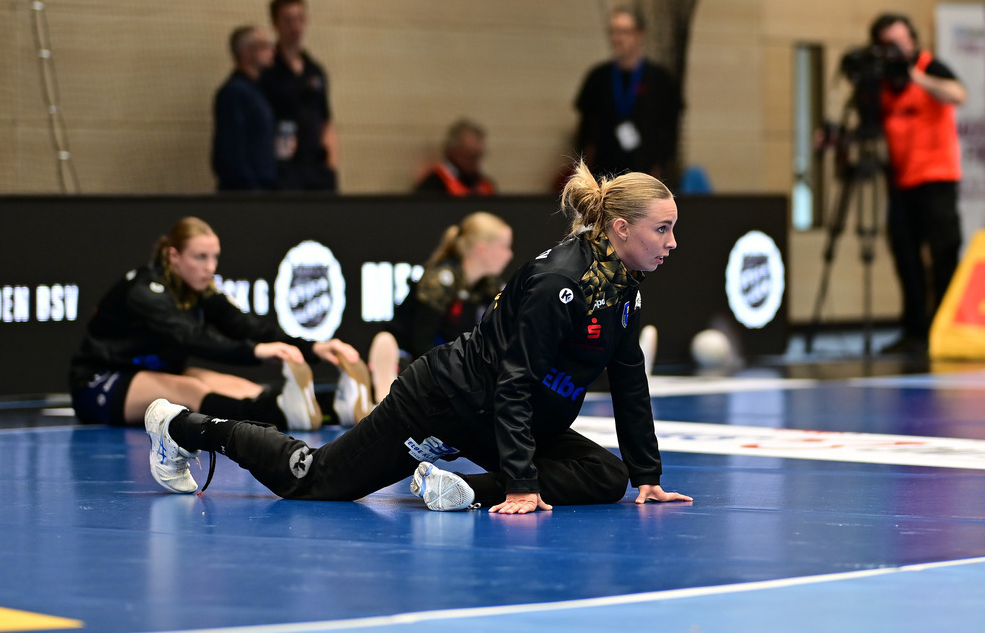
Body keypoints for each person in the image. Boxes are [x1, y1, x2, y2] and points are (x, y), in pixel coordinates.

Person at [143, 162, 693, 514]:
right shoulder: (562, 282)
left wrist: (648, 476)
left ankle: (464, 491)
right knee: (314, 480)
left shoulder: (622, 282)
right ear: (621, 228)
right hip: (445, 401)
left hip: (501, 420)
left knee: (607, 475)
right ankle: (183, 427)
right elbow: (515, 381)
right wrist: (523, 486)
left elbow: (627, 377)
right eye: (661, 229)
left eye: (673, 228)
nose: (671, 242)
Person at [69, 216, 366, 430]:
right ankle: (286, 417)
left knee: (245, 389)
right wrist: (255, 352)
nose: (210, 267)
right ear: (174, 256)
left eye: (214, 258)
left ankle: (334, 407)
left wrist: (314, 348)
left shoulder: (199, 289)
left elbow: (249, 327)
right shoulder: (145, 292)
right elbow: (192, 338)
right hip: (100, 382)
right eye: (200, 257)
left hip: (154, 371)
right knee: (189, 391)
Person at [870, 13, 966, 354]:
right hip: (901, 180)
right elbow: (872, 125)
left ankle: (945, 328)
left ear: (912, 40)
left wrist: (916, 78)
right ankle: (915, 331)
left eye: (901, 41)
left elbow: (957, 94)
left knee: (943, 254)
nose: (896, 48)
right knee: (905, 256)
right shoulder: (883, 82)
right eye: (888, 44)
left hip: (937, 178)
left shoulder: (930, 66)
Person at [366, 212, 513, 403]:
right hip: (413, 359)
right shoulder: (439, 281)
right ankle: (386, 391)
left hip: (451, 365)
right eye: (504, 247)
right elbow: (421, 343)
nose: (510, 254)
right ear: (482, 249)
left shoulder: (488, 287)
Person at [573, 7, 683, 185]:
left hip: (645, 173)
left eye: (624, 32)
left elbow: (670, 130)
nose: (618, 38)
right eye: (614, 32)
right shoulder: (598, 77)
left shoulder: (660, 79)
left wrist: (659, 166)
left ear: (639, 35)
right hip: (604, 173)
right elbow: (585, 130)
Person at [260, 0, 338, 192]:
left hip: (316, 167)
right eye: (287, 20)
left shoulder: (315, 70)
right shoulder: (267, 70)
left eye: (300, 19)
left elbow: (326, 120)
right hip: (283, 168)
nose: (295, 26)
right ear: (275, 23)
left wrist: (331, 164)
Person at [211, 26, 284, 191]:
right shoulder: (234, 92)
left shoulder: (258, 91)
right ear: (245, 52)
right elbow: (231, 150)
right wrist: (250, 190)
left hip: (264, 188)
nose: (272, 50)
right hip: (246, 194)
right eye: (264, 46)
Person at [416, 119, 496, 196]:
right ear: (453, 151)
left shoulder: (485, 186)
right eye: (469, 154)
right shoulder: (433, 185)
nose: (474, 161)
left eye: (478, 155)